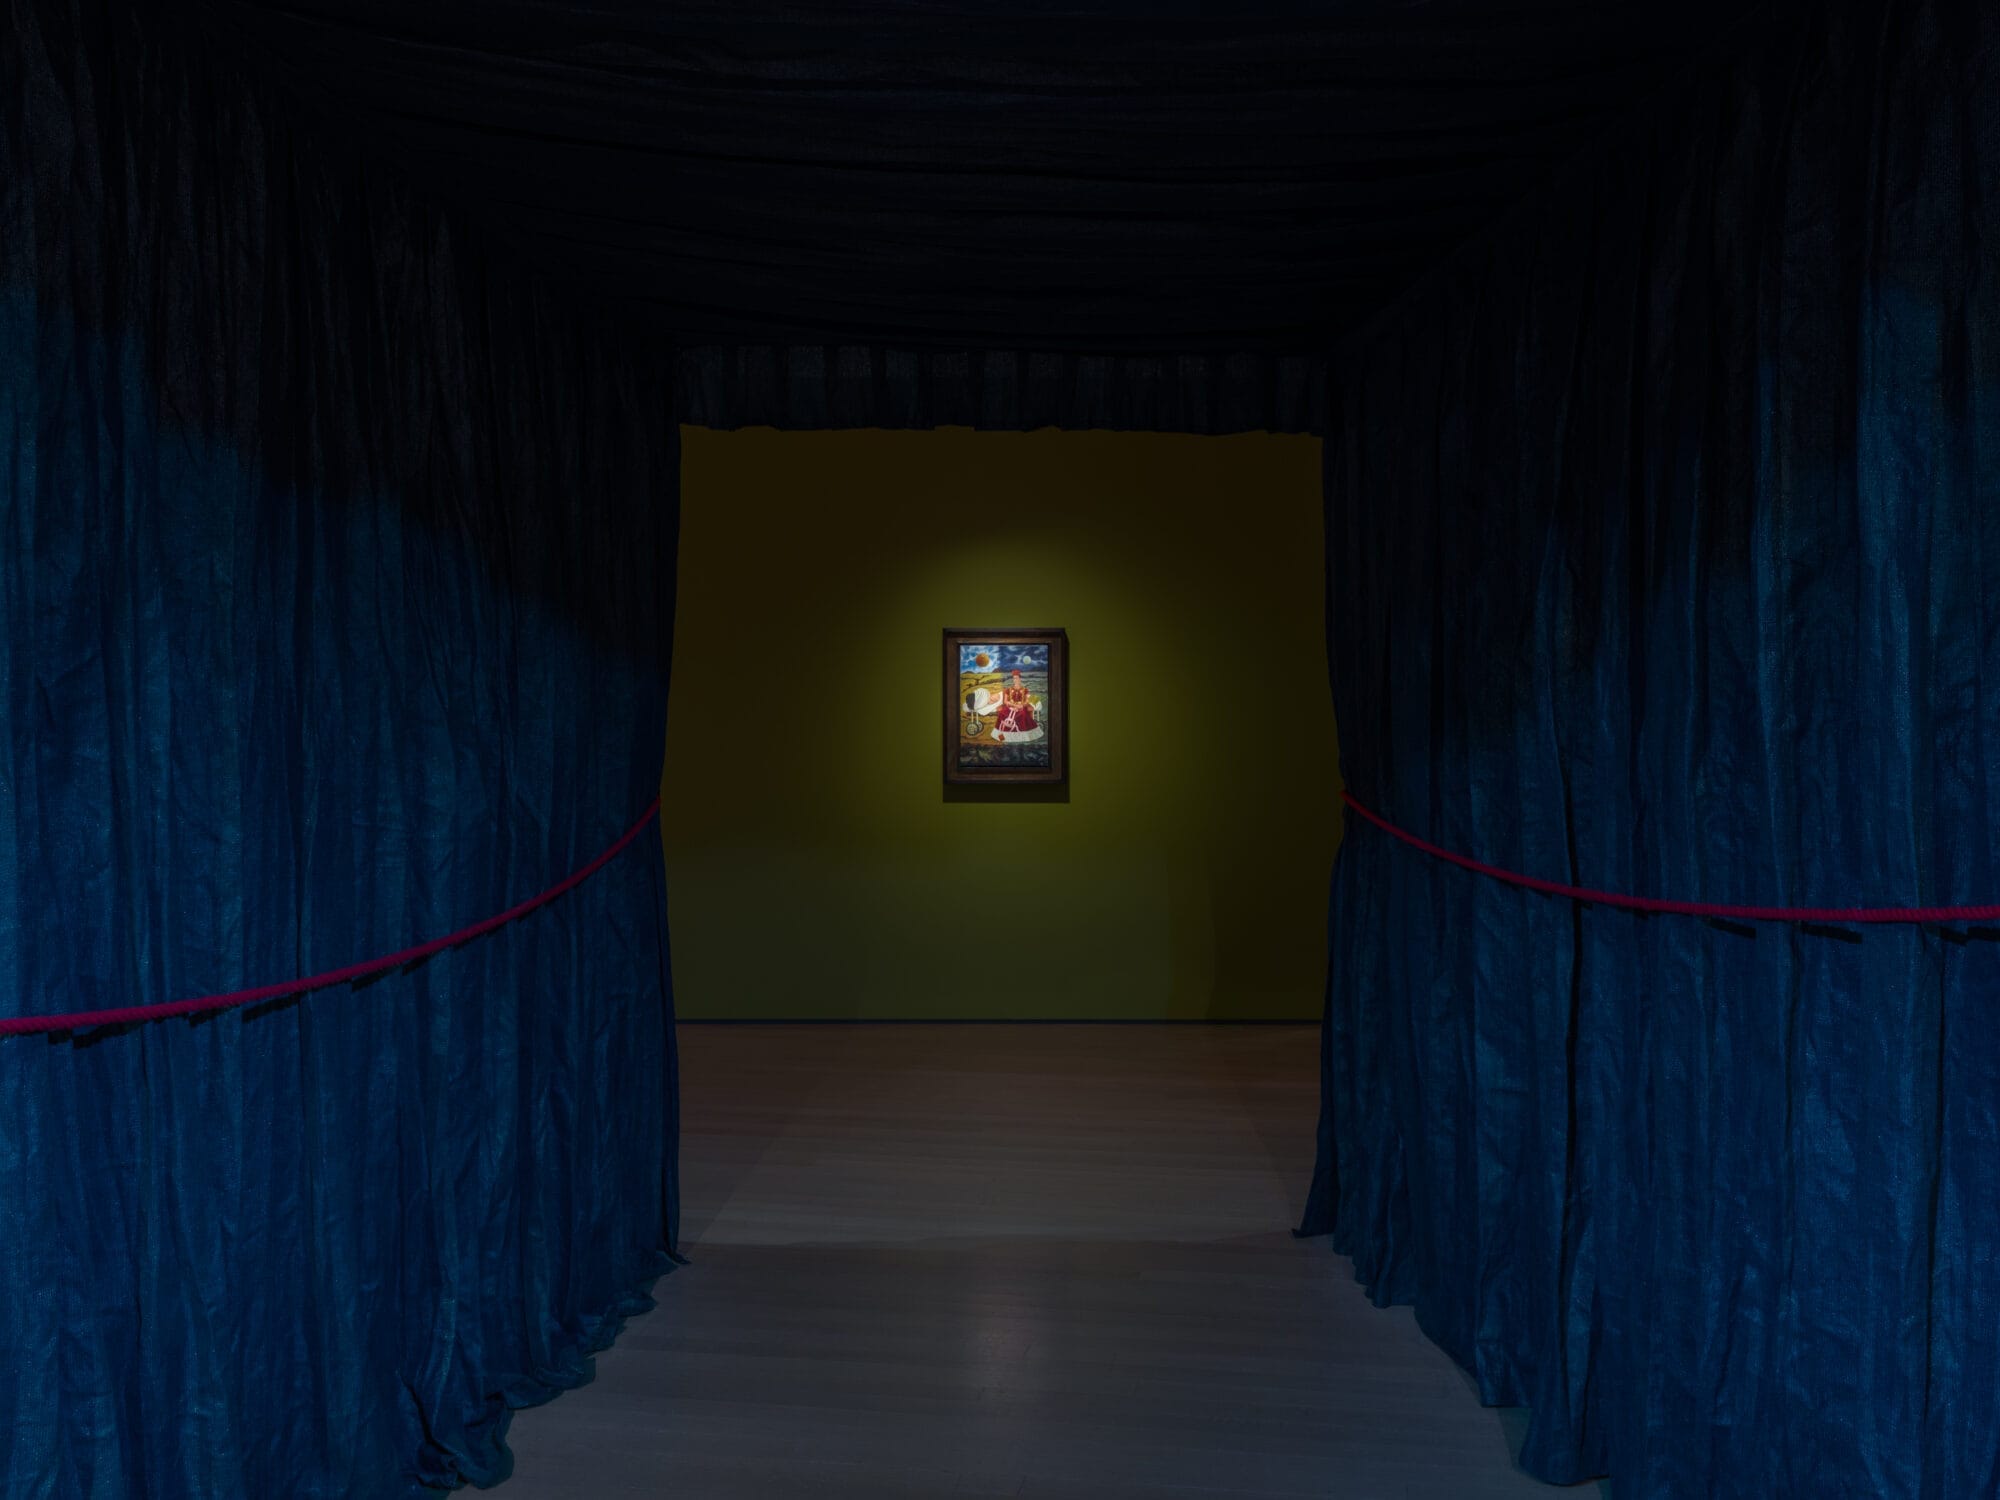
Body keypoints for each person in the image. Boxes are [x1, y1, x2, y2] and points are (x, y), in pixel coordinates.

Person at [991, 669, 1043, 743]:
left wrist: (1021, 706)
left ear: (1020, 679)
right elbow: (1005, 701)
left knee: (1023, 714)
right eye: (1014, 678)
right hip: (1009, 707)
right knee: (1002, 713)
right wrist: (1013, 705)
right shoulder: (1008, 690)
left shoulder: (1025, 690)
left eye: (1017, 678)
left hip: (1021, 707)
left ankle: (1021, 737)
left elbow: (1027, 701)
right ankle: (1003, 736)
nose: (1015, 680)